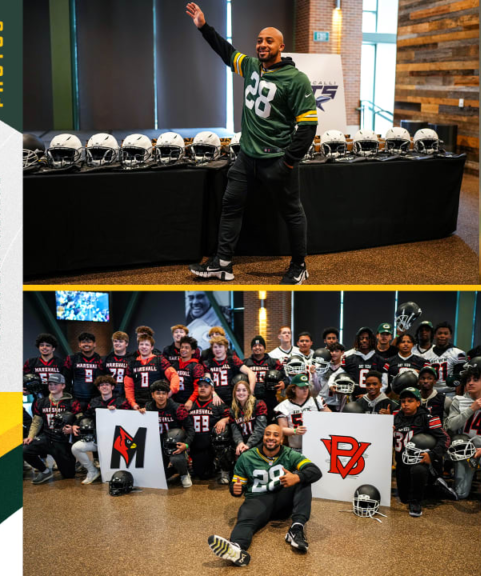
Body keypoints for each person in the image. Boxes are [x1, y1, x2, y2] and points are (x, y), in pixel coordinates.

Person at [186, 2, 316, 284]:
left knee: (292, 213)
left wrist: (289, 161)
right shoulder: (250, 66)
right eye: (259, 40)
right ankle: (222, 264)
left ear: (281, 46)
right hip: (246, 158)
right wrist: (204, 28)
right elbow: (226, 51)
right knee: (231, 206)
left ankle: (299, 265)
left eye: (269, 40)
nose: (262, 44)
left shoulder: (297, 80)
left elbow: (308, 126)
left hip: (278, 160)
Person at [208, 425, 322, 566]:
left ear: (281, 439)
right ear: (263, 437)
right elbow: (237, 483)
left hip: (282, 501)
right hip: (257, 500)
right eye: (268, 434)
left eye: (275, 435)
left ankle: (296, 529)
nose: (271, 438)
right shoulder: (247, 457)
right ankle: (236, 549)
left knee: (303, 479)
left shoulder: (290, 454)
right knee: (245, 521)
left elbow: (315, 471)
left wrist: (297, 477)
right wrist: (235, 489)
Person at [393, 388, 450, 517]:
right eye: (403, 401)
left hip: (420, 462)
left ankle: (418, 499)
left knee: (418, 471)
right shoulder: (395, 418)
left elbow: (445, 438)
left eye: (410, 401)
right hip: (401, 463)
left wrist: (432, 454)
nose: (405, 404)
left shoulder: (428, 417)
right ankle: (432, 486)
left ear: (418, 403)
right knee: (403, 498)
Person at [70, 375, 131, 485]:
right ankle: (92, 471)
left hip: (118, 441)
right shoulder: (94, 401)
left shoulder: (121, 401)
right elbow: (85, 415)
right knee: (76, 448)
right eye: (101, 385)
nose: (104, 387)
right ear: (98, 388)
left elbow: (130, 419)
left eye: (107, 384)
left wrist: (117, 411)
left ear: (112, 387)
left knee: (114, 474)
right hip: (98, 439)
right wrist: (74, 425)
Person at [23, 375, 83, 484]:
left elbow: (80, 419)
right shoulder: (40, 402)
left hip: (63, 440)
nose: (52, 386)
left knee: (68, 474)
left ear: (63, 385)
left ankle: (74, 462)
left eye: (56, 384)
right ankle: (45, 471)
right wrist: (30, 436)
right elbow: (37, 421)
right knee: (25, 450)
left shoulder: (72, 402)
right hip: (46, 437)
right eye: (50, 384)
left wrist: (73, 427)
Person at [445, 359, 481, 500]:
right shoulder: (459, 400)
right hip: (466, 450)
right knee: (461, 494)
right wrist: (472, 409)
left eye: (476, 379)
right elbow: (451, 426)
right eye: (468, 380)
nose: (470, 383)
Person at [145, 380, 194, 487]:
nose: (161, 396)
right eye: (158, 393)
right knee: (160, 477)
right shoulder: (148, 408)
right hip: (157, 445)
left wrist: (186, 444)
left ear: (168, 395)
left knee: (176, 457)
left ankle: (184, 474)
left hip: (174, 443)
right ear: (152, 395)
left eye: (163, 393)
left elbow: (190, 428)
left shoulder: (177, 408)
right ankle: (172, 470)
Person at [187, 376, 232, 481]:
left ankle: (223, 469)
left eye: (206, 386)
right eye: (200, 386)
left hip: (212, 444)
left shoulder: (217, 403)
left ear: (212, 389)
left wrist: (223, 420)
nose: (202, 388)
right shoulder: (190, 404)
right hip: (195, 444)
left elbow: (232, 416)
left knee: (223, 437)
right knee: (202, 474)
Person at [125, 333, 180, 412]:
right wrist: (133, 403)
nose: (144, 347)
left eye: (147, 344)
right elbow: (128, 387)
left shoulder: (160, 360)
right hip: (138, 403)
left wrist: (171, 391)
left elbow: (174, 375)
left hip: (157, 403)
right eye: (141, 344)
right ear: (138, 346)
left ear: (152, 347)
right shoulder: (132, 364)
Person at [275, 373, 330, 450]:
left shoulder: (317, 401)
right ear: (293, 389)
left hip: (316, 446)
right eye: (301, 388)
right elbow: (282, 429)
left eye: (307, 387)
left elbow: (330, 419)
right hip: (296, 448)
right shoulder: (283, 406)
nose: (305, 390)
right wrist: (295, 431)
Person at [203, 335, 256, 404]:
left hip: (232, 400)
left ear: (225, 348)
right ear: (212, 349)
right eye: (215, 347)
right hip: (214, 399)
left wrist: (250, 390)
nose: (218, 349)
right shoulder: (208, 363)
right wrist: (214, 394)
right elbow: (208, 381)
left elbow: (250, 372)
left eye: (220, 346)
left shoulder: (232, 360)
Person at [422, 322, 467, 395]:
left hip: (450, 392)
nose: (442, 336)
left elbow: (460, 377)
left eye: (445, 334)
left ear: (450, 336)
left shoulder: (458, 353)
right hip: (432, 392)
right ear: (434, 336)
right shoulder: (425, 355)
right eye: (439, 333)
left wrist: (458, 395)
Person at [229, 379, 269, 457]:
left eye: (244, 390)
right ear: (234, 393)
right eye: (238, 390)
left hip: (259, 444)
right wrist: (240, 443)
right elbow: (235, 431)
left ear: (249, 392)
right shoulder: (233, 410)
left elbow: (260, 428)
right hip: (243, 444)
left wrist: (248, 445)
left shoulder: (259, 404)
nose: (241, 393)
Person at [343, 327, 389, 393]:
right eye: (361, 338)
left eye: (367, 338)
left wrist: (368, 397)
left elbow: (384, 385)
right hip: (353, 399)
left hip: (373, 400)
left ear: (372, 340)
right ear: (357, 340)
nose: (364, 341)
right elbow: (341, 378)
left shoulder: (380, 360)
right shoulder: (349, 359)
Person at [62, 332, 104, 403]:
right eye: (83, 342)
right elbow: (66, 379)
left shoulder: (100, 360)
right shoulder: (72, 359)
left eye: (89, 342)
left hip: (95, 398)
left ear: (94, 344)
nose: (86, 344)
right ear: (79, 345)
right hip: (76, 398)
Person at [244, 335, 283, 401]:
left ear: (264, 348)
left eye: (260, 345)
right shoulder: (245, 363)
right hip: (251, 398)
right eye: (254, 346)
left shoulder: (274, 362)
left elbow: (284, 376)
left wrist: (283, 383)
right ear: (251, 348)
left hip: (269, 397)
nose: (257, 347)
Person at [172, 336, 205, 408]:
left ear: (193, 351)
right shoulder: (174, 365)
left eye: (186, 348)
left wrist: (191, 400)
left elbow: (198, 387)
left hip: (190, 403)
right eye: (182, 347)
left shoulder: (197, 366)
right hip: (175, 403)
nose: (183, 349)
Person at [103, 331, 131, 397]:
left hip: (125, 394)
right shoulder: (106, 359)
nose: (117, 343)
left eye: (121, 341)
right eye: (115, 341)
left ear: (126, 344)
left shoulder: (132, 359)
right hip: (109, 393)